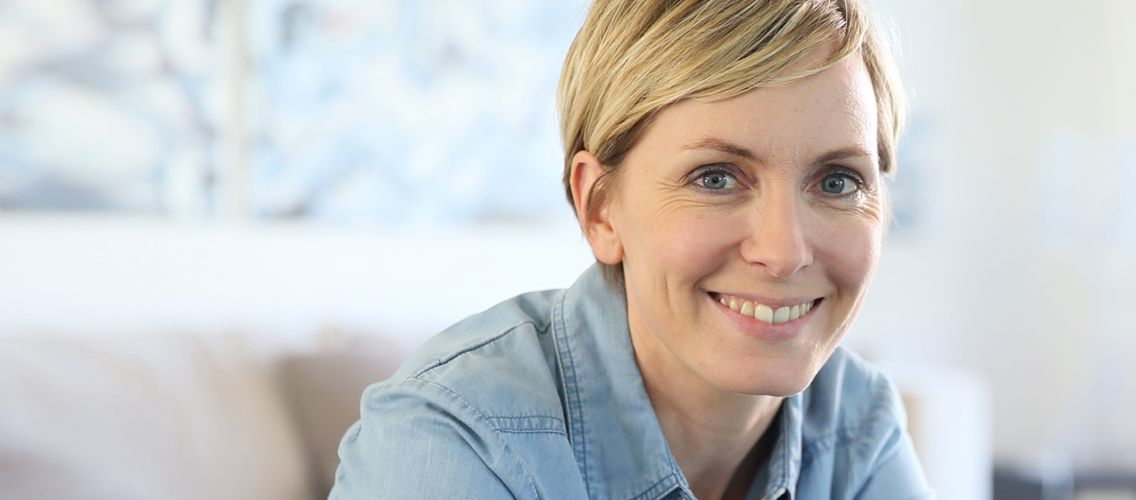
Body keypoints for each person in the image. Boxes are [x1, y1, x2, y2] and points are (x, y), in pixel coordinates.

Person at [328, 0, 928, 498]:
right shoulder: (451, 438)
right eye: (715, 178)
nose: (783, 251)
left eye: (837, 182)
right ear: (600, 208)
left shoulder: (857, 426)